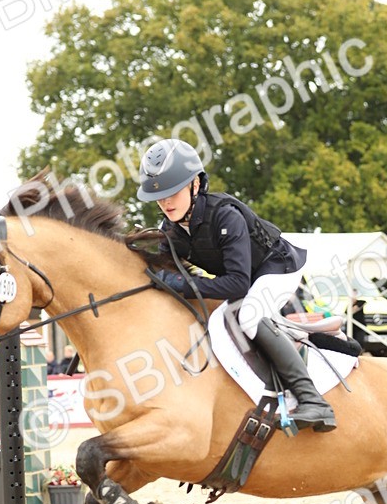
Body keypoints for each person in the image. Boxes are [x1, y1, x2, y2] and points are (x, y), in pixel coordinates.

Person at [138, 138, 336, 432]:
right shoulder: (171, 231)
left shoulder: (224, 215)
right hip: (244, 278)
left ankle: (313, 400)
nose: (166, 203)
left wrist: (182, 284)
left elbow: (238, 284)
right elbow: (168, 278)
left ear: (195, 184)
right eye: (159, 196)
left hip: (278, 267)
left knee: (249, 316)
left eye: (172, 193)